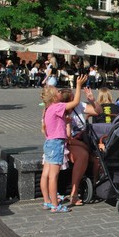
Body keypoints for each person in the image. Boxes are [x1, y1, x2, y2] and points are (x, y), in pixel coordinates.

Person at [39, 75, 87, 213]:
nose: (60, 93)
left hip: (49, 143)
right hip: (56, 144)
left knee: (46, 174)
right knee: (54, 175)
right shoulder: (57, 106)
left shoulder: (48, 109)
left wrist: (64, 123)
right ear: (54, 98)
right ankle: (55, 205)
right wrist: (78, 86)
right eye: (57, 93)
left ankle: (47, 201)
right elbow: (76, 101)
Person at [67, 86, 103, 206]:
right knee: (83, 155)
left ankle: (96, 184)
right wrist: (82, 144)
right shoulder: (61, 109)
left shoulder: (79, 106)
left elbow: (99, 111)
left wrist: (92, 100)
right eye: (72, 99)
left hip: (83, 140)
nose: (75, 101)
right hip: (69, 142)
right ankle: (74, 193)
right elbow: (66, 138)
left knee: (98, 159)